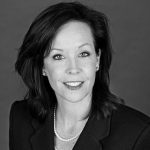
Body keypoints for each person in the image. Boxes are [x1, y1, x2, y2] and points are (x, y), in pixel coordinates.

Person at [9, 1, 150, 150]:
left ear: (97, 59)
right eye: (58, 56)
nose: (73, 69)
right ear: (42, 66)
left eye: (83, 54)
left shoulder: (138, 135)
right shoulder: (21, 118)